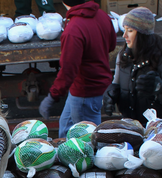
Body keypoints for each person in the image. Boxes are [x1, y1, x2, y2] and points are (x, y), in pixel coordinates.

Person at [38, 0, 116, 137]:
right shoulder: (102, 16)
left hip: (85, 92)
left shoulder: (73, 29)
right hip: (96, 86)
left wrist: (53, 96)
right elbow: (111, 45)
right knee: (65, 127)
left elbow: (68, 70)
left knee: (86, 140)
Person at [103, 7, 162, 125]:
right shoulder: (123, 55)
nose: (124, 35)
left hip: (154, 127)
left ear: (142, 34)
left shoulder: (161, 57)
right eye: (124, 29)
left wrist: (160, 87)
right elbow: (117, 84)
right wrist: (111, 94)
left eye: (129, 31)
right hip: (129, 125)